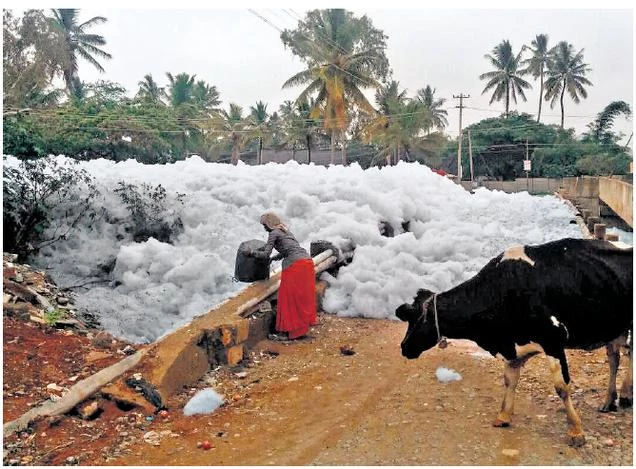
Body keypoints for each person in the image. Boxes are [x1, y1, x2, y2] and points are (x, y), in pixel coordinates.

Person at [249, 212, 316, 340]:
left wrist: (251, 253)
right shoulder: (285, 230)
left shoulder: (273, 233)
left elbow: (265, 254)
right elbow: (291, 248)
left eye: (264, 225)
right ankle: (300, 331)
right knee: (302, 298)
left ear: (269, 224)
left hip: (295, 266)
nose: (264, 228)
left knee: (288, 299)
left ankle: (287, 333)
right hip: (307, 263)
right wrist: (276, 257)